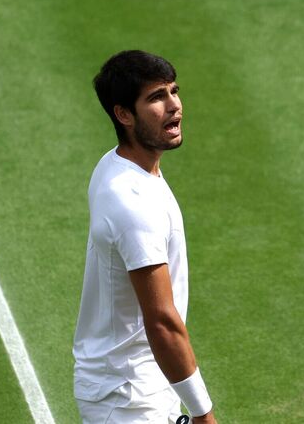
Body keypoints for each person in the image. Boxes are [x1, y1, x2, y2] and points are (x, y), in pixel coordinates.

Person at [74, 50, 217, 423]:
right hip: (127, 400)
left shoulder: (118, 166)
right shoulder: (132, 203)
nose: (174, 106)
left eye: (173, 91)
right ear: (124, 114)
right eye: (156, 97)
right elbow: (161, 321)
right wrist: (203, 414)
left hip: (139, 385)